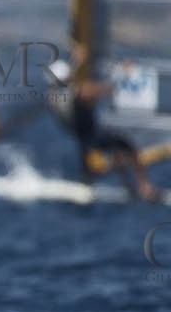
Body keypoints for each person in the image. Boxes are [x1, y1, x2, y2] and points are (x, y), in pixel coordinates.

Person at [48, 52, 162, 202]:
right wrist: (125, 75)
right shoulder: (80, 92)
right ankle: (144, 187)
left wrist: (77, 61)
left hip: (80, 136)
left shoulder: (52, 94)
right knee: (128, 147)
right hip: (90, 134)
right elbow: (104, 89)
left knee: (102, 162)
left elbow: (68, 79)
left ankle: (126, 187)